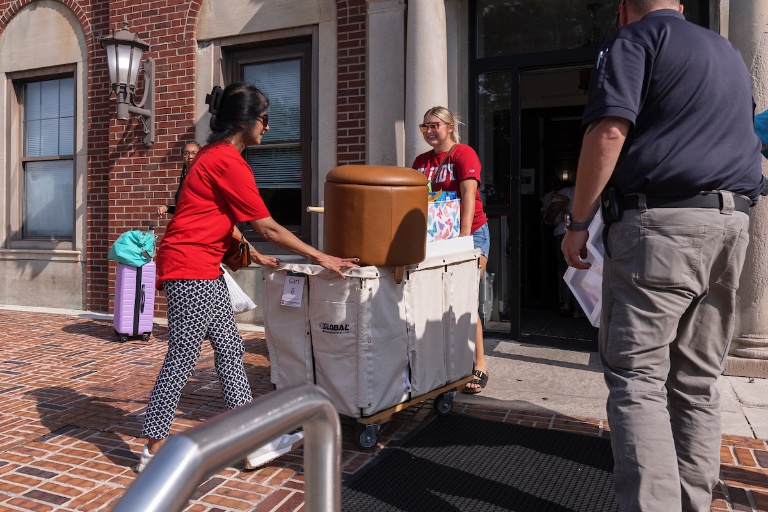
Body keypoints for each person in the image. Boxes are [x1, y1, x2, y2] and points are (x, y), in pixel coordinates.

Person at [561, 1, 764, 510]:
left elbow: (609, 131)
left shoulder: (633, 39)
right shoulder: (726, 52)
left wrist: (578, 223)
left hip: (661, 227)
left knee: (637, 378)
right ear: (679, 4)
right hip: (731, 223)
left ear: (623, 9)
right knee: (697, 379)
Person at [138, 82, 358, 472]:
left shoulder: (214, 156)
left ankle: (253, 442)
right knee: (183, 356)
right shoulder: (226, 160)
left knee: (229, 349)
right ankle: (153, 448)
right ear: (245, 121)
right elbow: (268, 227)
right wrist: (323, 257)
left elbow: (218, 219)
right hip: (190, 266)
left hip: (204, 266)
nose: (267, 127)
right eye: (264, 119)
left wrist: (254, 256)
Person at [412, 106, 490, 394]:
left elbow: (469, 194)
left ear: (449, 126)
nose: (429, 131)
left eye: (435, 125)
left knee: (464, 299)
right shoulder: (421, 161)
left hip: (470, 235)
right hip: (436, 238)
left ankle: (479, 364)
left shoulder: (463, 154)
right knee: (437, 301)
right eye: (425, 126)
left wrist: (464, 239)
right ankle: (445, 363)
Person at [157, 141, 200, 219]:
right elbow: (183, 208)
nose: (190, 156)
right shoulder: (185, 176)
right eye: (186, 153)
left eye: (194, 153)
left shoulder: (203, 177)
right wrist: (167, 208)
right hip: (184, 221)